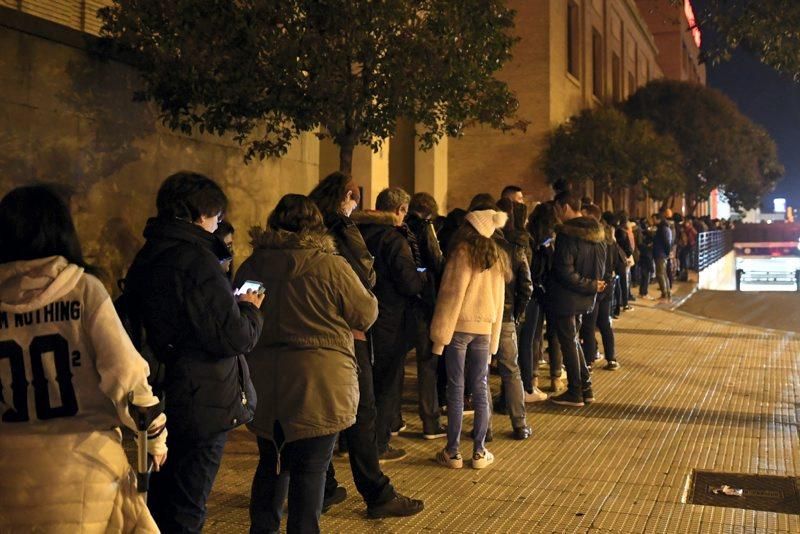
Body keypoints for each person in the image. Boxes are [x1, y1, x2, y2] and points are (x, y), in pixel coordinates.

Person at [0, 185, 168, 531]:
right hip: (84, 466)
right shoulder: (84, 290)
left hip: (10, 472)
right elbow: (126, 374)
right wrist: (153, 438)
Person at [124, 172, 264, 533]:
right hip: (201, 401)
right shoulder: (196, 260)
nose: (218, 224)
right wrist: (249, 308)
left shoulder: (149, 254)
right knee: (187, 508)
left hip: (163, 394)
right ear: (201, 213)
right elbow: (232, 337)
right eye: (217, 215)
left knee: (160, 506)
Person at [236, 194, 379, 533]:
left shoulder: (252, 266)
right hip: (321, 385)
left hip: (266, 384)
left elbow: (239, 311)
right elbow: (366, 313)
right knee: (311, 472)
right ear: (317, 225)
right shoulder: (331, 266)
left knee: (271, 464)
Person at [309, 172, 423, 519]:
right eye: (354, 197)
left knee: (323, 413)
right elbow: (363, 280)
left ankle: (324, 485)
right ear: (345, 196)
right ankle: (376, 492)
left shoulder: (306, 234)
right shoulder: (341, 232)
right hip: (347, 333)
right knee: (363, 411)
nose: (356, 204)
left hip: (311, 337)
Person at [352, 187, 426, 461]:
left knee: (360, 382)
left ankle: (352, 442)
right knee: (385, 384)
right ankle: (379, 444)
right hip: (389, 320)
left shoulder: (356, 233)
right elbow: (409, 281)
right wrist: (422, 275)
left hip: (359, 318)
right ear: (399, 211)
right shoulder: (393, 240)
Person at [431, 206, 507, 469]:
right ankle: (479, 451)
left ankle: (452, 452)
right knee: (481, 387)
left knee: (456, 387)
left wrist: (440, 336)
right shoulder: (497, 256)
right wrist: (494, 338)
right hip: (484, 329)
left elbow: (451, 296)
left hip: (459, 328)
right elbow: (499, 302)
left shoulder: (462, 252)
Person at [547, 191, 606, 407]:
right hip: (586, 297)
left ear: (564, 207)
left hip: (567, 297)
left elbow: (564, 270)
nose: (556, 215)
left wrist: (588, 284)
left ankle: (575, 391)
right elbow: (600, 269)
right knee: (573, 340)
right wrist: (592, 286)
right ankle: (585, 387)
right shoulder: (598, 233)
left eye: (556, 210)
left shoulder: (567, 234)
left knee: (569, 342)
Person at [405, 192, 447, 439]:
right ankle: (430, 421)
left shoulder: (399, 228)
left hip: (400, 301)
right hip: (424, 301)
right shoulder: (426, 228)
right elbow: (436, 261)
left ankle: (392, 420)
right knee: (427, 362)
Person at [491, 198, 533, 440]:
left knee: (481, 373)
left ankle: (484, 429)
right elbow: (526, 287)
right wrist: (516, 314)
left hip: (485, 317)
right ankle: (520, 424)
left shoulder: (481, 246)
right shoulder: (515, 249)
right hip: (506, 316)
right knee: (511, 370)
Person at [519, 202, 560, 400]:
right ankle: (546, 378)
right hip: (544, 291)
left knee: (532, 337)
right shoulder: (551, 239)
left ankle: (532, 378)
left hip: (533, 291)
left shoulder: (529, 235)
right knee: (546, 335)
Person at [580, 204, 619, 371]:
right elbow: (616, 260)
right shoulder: (610, 237)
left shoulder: (593, 237)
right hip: (608, 284)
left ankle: (588, 360)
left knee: (589, 324)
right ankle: (611, 358)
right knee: (604, 323)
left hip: (596, 285)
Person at [653, 212, 673, 301]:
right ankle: (667, 292)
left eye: (653, 219)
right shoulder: (666, 228)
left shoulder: (662, 229)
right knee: (664, 274)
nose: (652, 221)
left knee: (660, 274)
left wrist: (667, 252)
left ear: (658, 219)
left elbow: (666, 242)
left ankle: (664, 293)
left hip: (661, 254)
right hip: (663, 253)